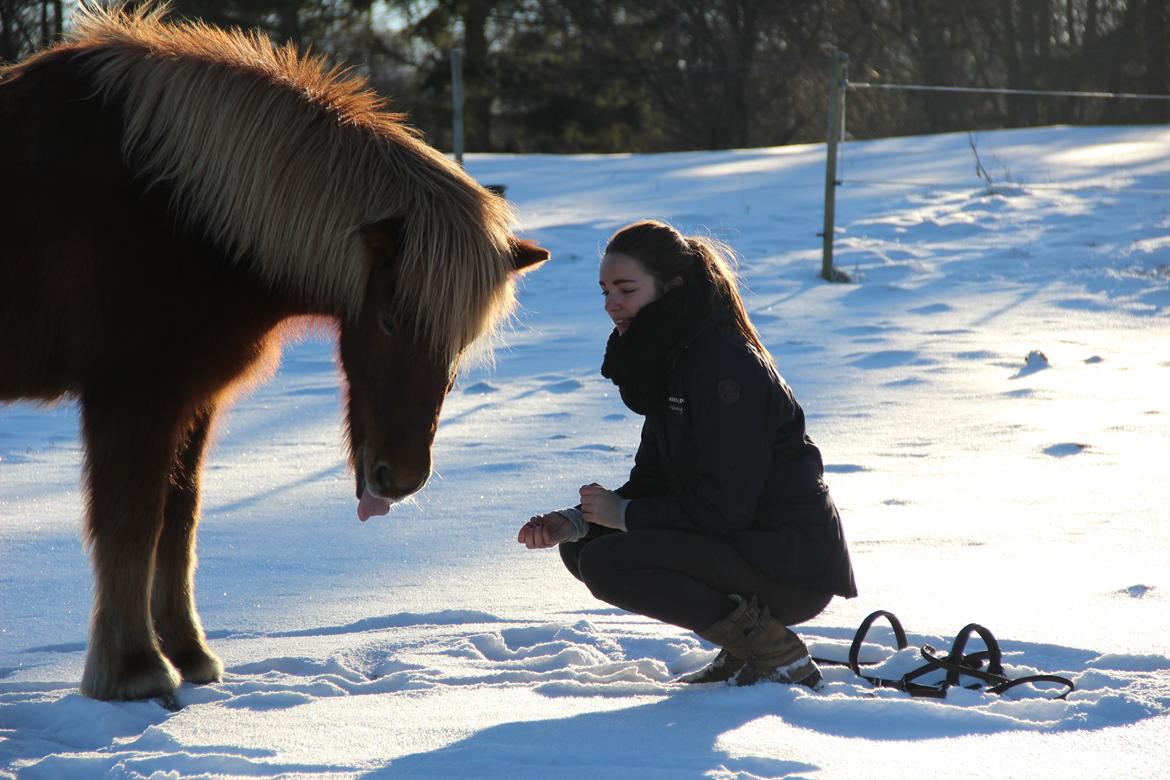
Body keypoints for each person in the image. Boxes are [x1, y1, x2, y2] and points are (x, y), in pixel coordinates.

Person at [517, 219, 856, 689]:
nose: (611, 304)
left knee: (608, 562)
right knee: (584, 547)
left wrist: (624, 514)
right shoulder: (672, 359)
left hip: (791, 566)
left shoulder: (724, 368)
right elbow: (653, 482)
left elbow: (726, 508)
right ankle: (745, 648)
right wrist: (577, 521)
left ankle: (772, 651)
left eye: (626, 290)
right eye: (605, 291)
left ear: (672, 287)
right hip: (745, 548)